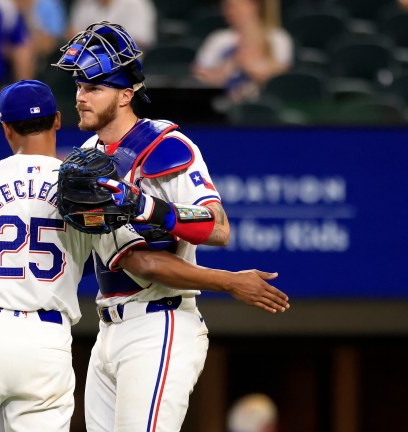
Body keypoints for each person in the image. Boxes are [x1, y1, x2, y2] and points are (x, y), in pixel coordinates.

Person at [0, 79, 289, 431]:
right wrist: (229, 280)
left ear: (6, 129)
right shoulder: (82, 186)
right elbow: (138, 261)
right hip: (48, 344)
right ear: (58, 121)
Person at [50, 21, 286, 431]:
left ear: (126, 95)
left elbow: (218, 227)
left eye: (93, 88)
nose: (80, 97)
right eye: (79, 86)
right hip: (107, 328)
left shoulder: (166, 146)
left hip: (158, 323)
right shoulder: (85, 156)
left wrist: (146, 205)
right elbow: (80, 249)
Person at [192, 0, 292, 103]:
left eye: (235, 6)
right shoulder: (218, 38)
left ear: (253, 6)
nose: (229, 11)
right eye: (226, 6)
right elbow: (199, 75)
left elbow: (280, 79)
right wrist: (227, 68)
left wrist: (249, 65)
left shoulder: (277, 38)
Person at [67, 0, 156, 49]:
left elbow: (141, 40)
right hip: (86, 62)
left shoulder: (135, 4)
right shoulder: (85, 3)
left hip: (125, 65)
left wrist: (91, 40)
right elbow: (72, 34)